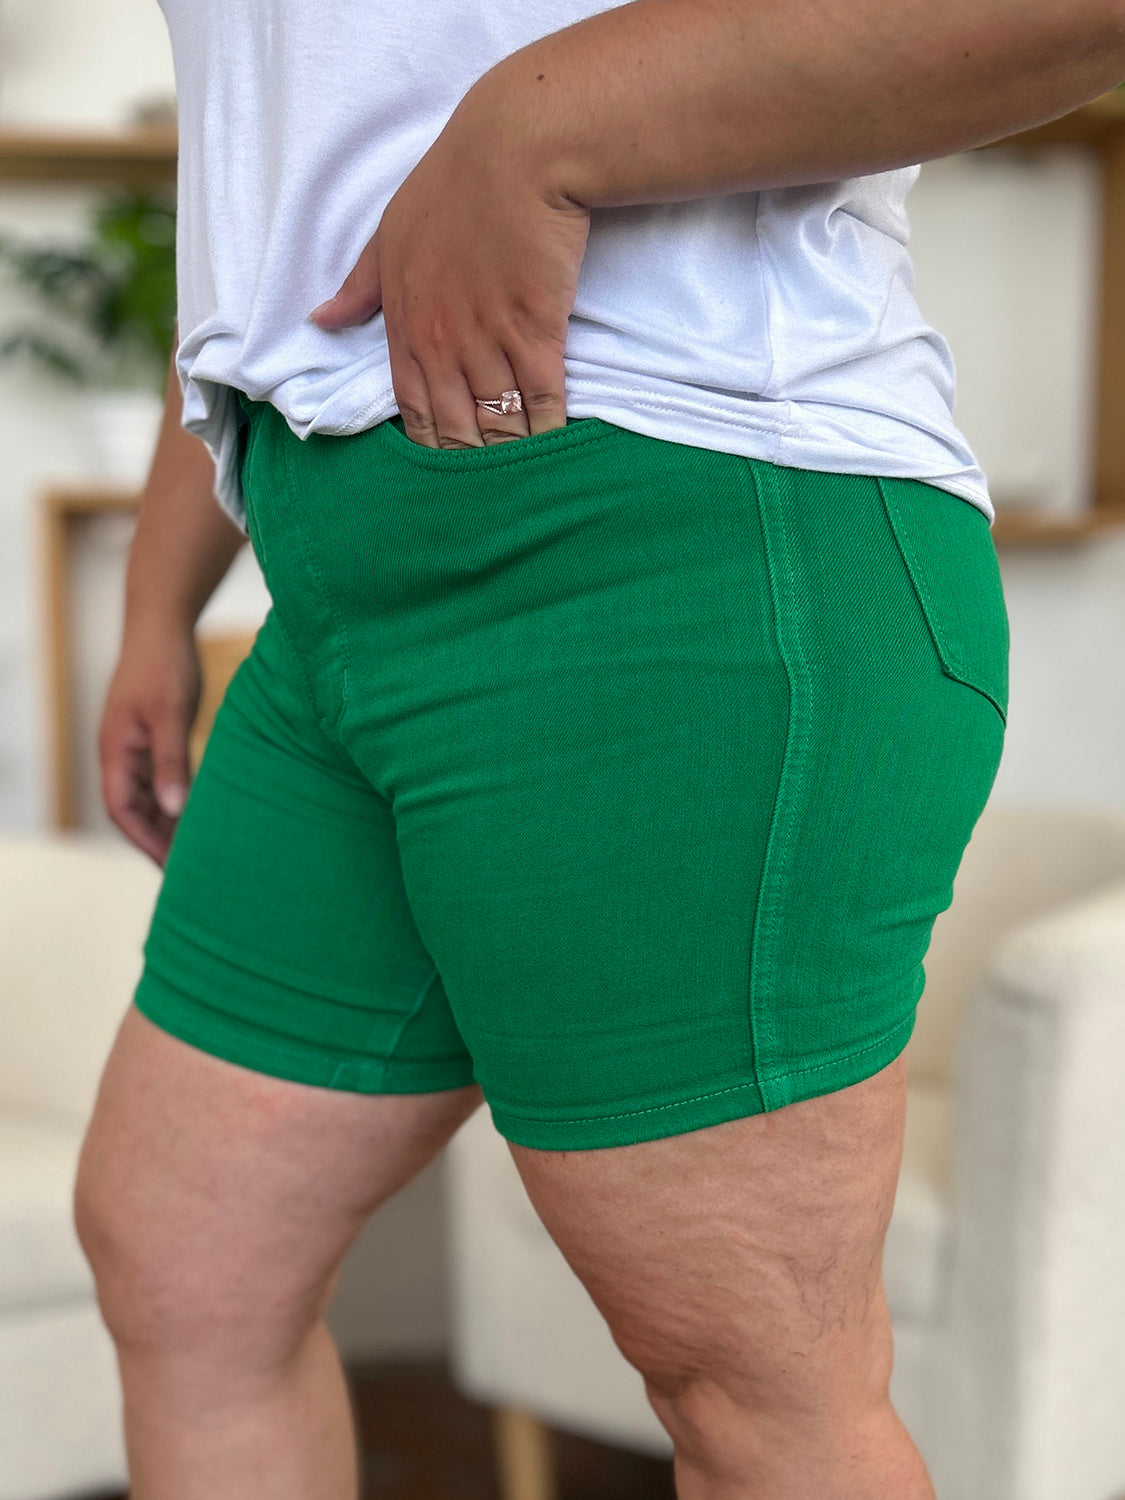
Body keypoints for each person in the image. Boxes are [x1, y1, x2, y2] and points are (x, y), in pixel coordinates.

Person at [73, 1, 1123, 1496]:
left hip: (673, 524)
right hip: (332, 579)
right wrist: (158, 594)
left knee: (754, 1392)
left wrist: (538, 126)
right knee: (185, 1268)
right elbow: (299, 171)